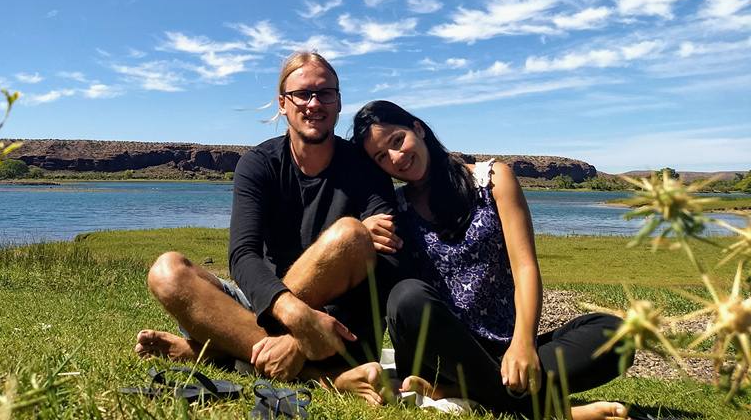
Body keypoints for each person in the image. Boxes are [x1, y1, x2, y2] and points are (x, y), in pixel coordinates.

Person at [334, 100, 630, 420]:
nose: (396, 157)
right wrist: (363, 231)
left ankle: (462, 392)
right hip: (439, 358)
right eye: (381, 157)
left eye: (397, 141)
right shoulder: (397, 208)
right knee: (406, 297)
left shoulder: (492, 180)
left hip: (504, 350)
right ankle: (552, 412)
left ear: (418, 129)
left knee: (616, 333)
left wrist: (523, 344)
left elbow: (525, 267)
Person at [135, 52, 398, 381]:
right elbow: (243, 255)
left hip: (342, 323)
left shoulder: (367, 170)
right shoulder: (258, 165)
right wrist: (297, 320)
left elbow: (386, 257)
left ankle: (226, 351)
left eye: (325, 93)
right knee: (166, 273)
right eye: (302, 94)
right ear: (282, 103)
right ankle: (312, 372)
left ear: (339, 102)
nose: (314, 103)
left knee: (349, 235)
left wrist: (304, 333)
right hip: (269, 307)